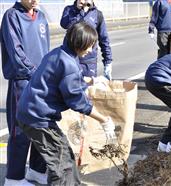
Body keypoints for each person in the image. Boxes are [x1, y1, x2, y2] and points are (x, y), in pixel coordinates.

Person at [16, 21, 116, 185]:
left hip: (31, 112)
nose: (91, 50)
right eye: (89, 45)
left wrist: (91, 80)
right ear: (79, 42)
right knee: (63, 166)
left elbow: (64, 79)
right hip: (39, 118)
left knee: (65, 157)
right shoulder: (69, 63)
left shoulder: (59, 53)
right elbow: (78, 102)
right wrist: (104, 120)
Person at [0, 0, 50, 185]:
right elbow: (16, 53)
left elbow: (46, 50)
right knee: (20, 131)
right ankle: (14, 178)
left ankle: (37, 170)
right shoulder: (12, 16)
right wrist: (36, 73)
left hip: (41, 81)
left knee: (40, 127)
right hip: (22, 82)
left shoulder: (41, 16)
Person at [60, 0, 113, 80]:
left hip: (88, 61)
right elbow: (64, 24)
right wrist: (78, 11)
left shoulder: (97, 14)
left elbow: (104, 39)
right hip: (70, 58)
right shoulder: (69, 10)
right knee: (69, 88)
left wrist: (108, 62)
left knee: (88, 89)